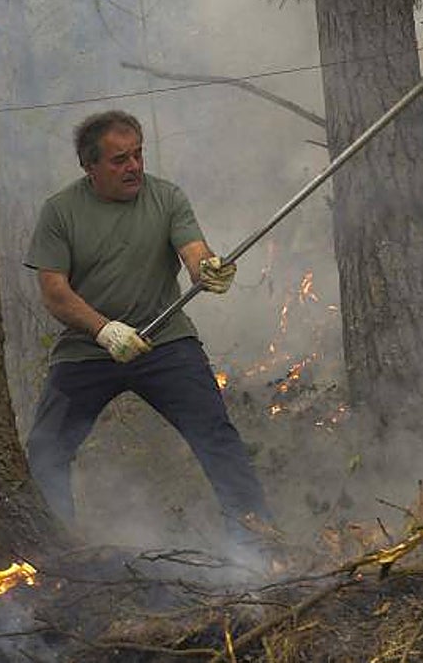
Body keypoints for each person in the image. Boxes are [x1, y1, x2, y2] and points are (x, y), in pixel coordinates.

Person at [24, 110, 271, 544]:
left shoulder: (167, 197)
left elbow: (194, 251)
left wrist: (207, 268)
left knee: (216, 436)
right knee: (46, 451)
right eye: (119, 160)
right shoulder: (60, 212)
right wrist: (104, 331)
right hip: (87, 351)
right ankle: (55, 555)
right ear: (90, 166)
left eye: (138, 155)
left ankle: (257, 544)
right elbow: (54, 293)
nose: (134, 167)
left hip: (166, 343)